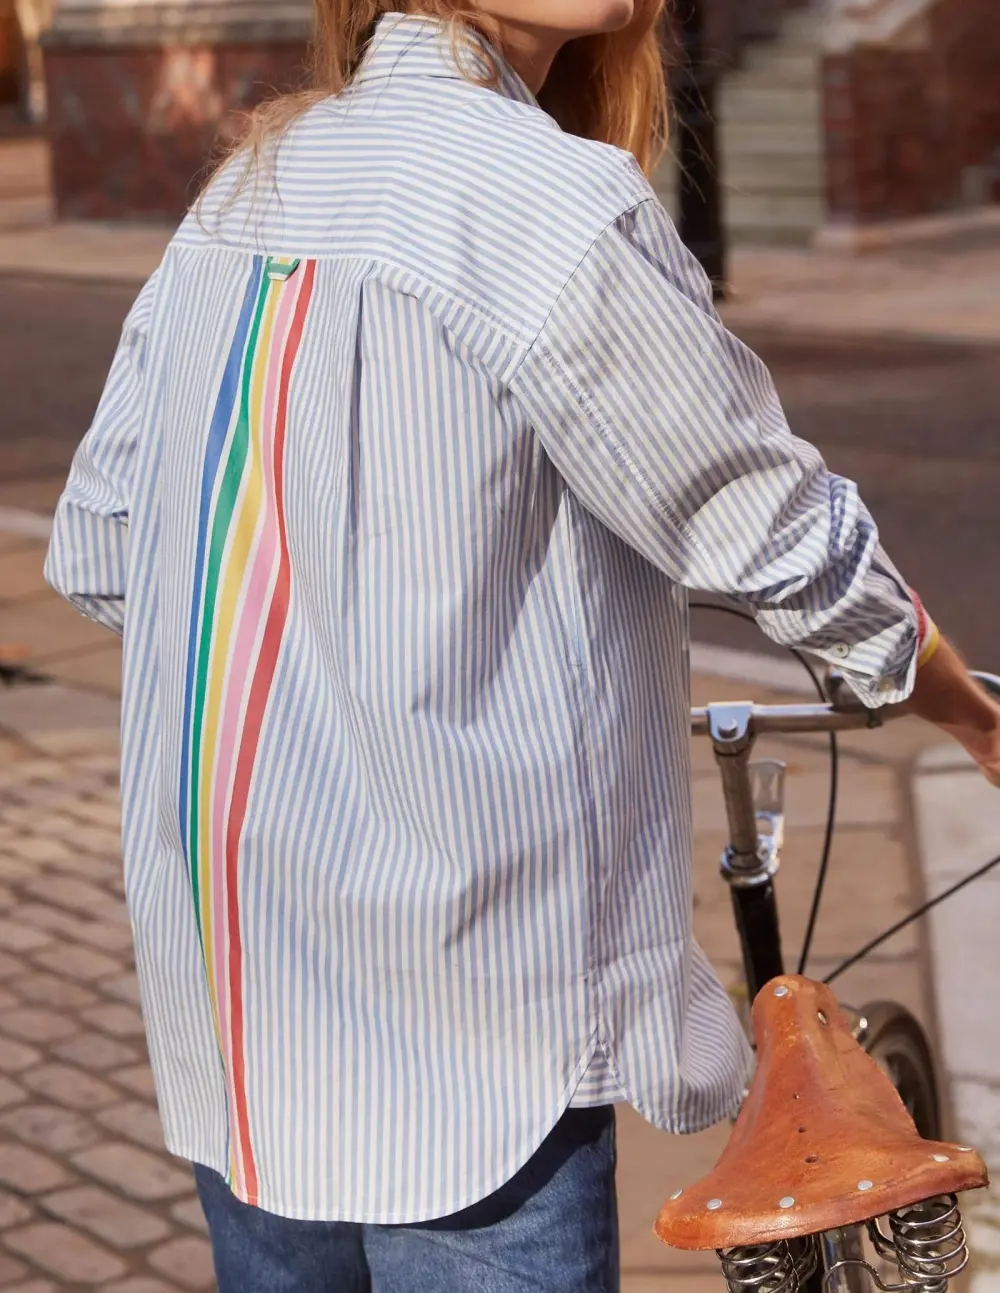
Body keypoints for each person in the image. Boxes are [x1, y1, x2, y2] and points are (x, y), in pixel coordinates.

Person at [45, 2, 1000, 1290]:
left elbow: (103, 545)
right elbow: (772, 530)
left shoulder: (248, 187)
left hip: (241, 986)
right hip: (471, 1007)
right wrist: (963, 705)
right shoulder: (548, 198)